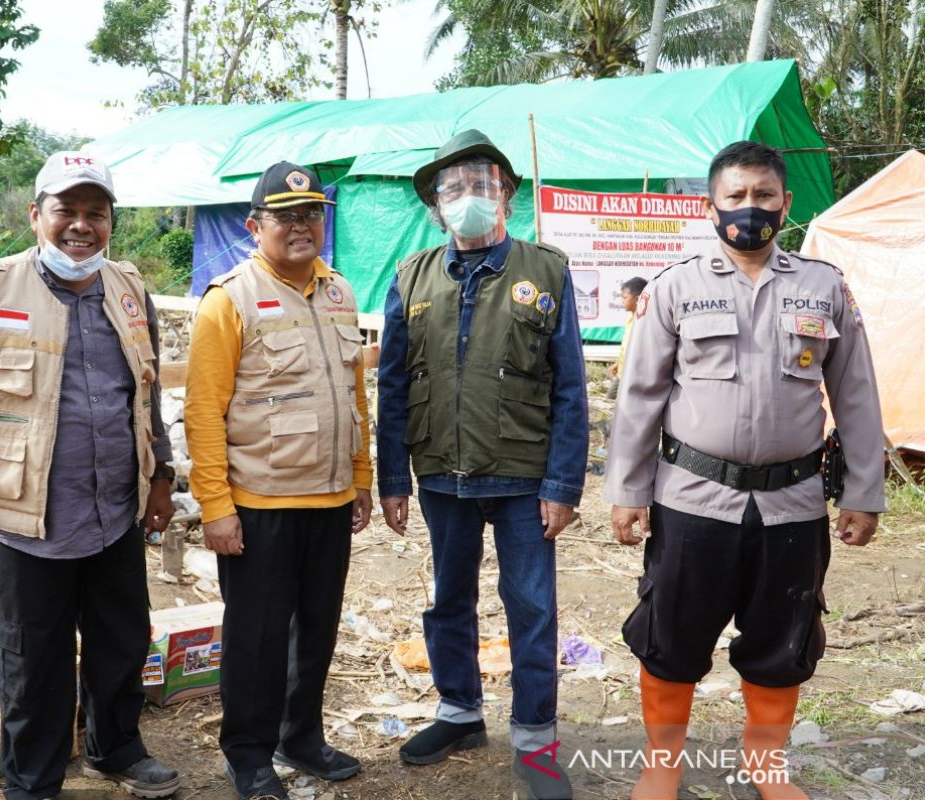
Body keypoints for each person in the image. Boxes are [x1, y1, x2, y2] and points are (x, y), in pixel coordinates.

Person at [604, 141, 885, 800]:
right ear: (711, 207)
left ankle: (766, 768)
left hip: (793, 503)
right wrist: (628, 492)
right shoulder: (676, 287)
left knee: (783, 641)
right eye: (735, 197)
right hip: (692, 500)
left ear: (786, 204)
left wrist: (865, 493)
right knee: (671, 635)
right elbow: (640, 397)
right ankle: (662, 767)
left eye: (763, 196)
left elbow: (856, 395)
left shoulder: (823, 286)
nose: (749, 209)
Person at [0, 152, 182, 800]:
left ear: (110, 221)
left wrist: (160, 479)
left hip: (114, 510)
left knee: (122, 641)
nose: (81, 226)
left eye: (97, 213)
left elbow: (145, 396)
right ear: (37, 215)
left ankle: (114, 747)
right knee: (32, 663)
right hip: (26, 519)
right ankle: (32, 780)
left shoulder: (127, 289)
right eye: (67, 210)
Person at [376, 130, 590, 800]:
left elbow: (570, 387)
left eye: (483, 184)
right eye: (455, 187)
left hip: (525, 479)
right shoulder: (411, 276)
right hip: (441, 473)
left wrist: (563, 484)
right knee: (448, 602)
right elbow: (390, 385)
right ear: (436, 206)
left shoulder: (545, 271)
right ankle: (459, 713)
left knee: (530, 607)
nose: (470, 196)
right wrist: (391, 480)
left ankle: (536, 741)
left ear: (505, 195)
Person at [184, 161, 373, 800]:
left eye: (312, 213)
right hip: (259, 500)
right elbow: (203, 410)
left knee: (316, 627)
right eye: (286, 216)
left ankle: (302, 737)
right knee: (258, 637)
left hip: (330, 498)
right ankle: (248, 752)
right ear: (254, 225)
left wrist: (362, 475)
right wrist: (215, 506)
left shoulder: (340, 292)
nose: (301, 226)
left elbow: (354, 393)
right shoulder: (228, 300)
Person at [607, 276, 649, 400]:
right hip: (623, 372)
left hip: (633, 374)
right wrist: (617, 364)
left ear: (637, 299)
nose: (622, 301)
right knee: (612, 396)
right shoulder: (630, 319)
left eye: (625, 298)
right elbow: (626, 348)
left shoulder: (644, 322)